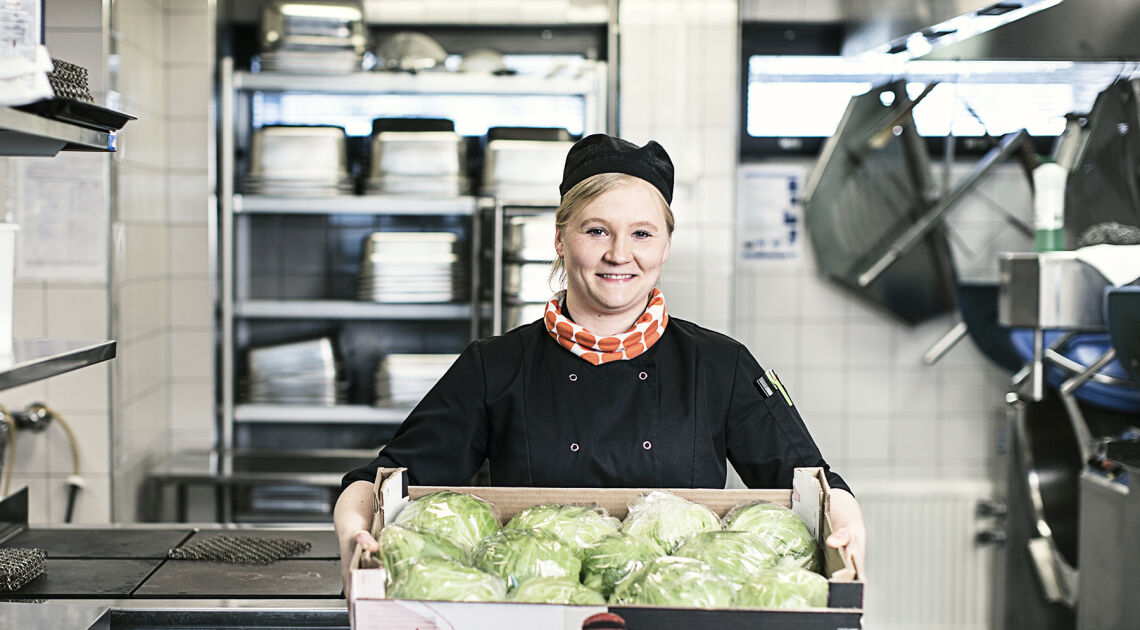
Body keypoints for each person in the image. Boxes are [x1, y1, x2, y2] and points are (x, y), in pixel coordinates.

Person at [335, 134, 865, 595]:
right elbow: (382, 482)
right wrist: (357, 532)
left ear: (665, 246)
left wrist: (845, 528)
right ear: (561, 240)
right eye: (596, 231)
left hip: (676, 615)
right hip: (538, 611)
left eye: (641, 233)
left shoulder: (719, 365)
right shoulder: (494, 367)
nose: (618, 254)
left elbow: (812, 485)